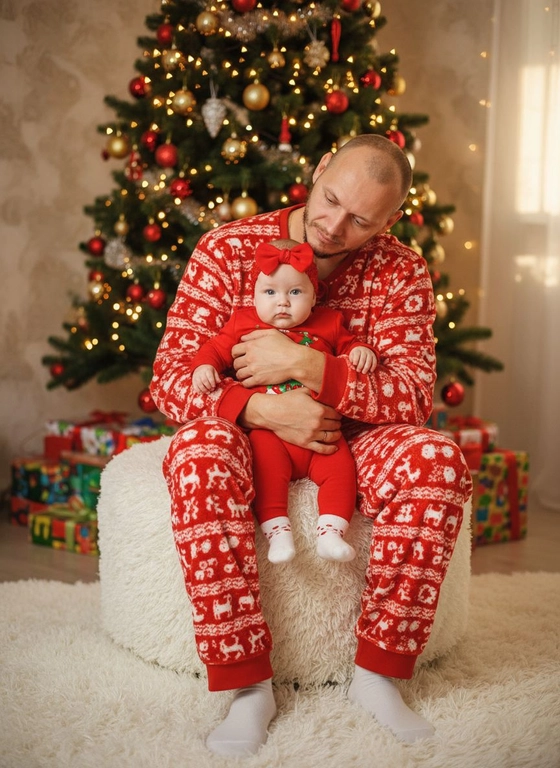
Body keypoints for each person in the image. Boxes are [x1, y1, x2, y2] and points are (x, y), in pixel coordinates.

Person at [150, 134, 472, 757]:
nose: (333, 225)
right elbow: (168, 381)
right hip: (245, 430)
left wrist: (309, 367)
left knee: (438, 460)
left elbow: (413, 398)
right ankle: (247, 687)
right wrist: (265, 409)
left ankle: (379, 673)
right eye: (329, 200)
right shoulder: (228, 248)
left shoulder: (400, 270)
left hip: (354, 442)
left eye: (360, 220)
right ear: (320, 168)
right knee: (195, 454)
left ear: (391, 219)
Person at [191, 237, 377, 564]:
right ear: (254, 294)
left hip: (322, 434)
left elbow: (349, 347)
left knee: (342, 470)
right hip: (269, 434)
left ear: (314, 294)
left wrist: (360, 350)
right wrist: (204, 366)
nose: (282, 303)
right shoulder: (243, 322)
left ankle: (331, 532)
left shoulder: (329, 323)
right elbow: (214, 349)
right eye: (270, 292)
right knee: (265, 470)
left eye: (295, 292)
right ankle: (278, 532)